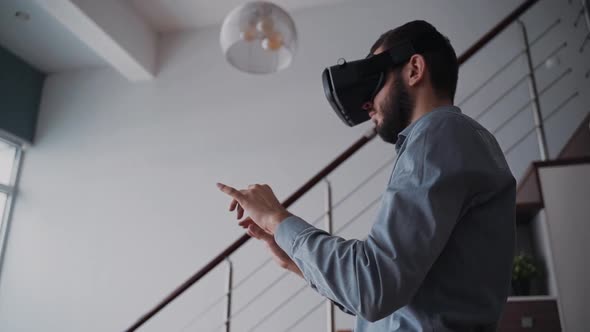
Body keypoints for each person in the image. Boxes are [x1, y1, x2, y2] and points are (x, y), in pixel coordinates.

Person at [217, 20, 516, 332]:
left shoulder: (438, 135)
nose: (366, 103)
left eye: (375, 80)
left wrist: (277, 219)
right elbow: (379, 298)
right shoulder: (448, 140)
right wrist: (294, 260)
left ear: (414, 69)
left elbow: (373, 287)